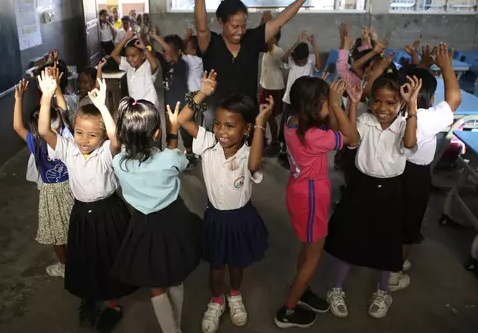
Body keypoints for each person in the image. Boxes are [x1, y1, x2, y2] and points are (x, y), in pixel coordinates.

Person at [37, 71, 137, 332]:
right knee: (84, 257)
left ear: (102, 137)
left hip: (108, 211)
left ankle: (113, 303)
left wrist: (103, 107)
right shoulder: (68, 148)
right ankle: (88, 299)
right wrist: (47, 97)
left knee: (110, 256)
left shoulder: (106, 151)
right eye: (79, 132)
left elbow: (115, 138)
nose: (84, 140)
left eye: (92, 135)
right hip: (81, 212)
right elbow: (44, 130)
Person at [177, 71, 272, 333]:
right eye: (218, 124)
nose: (221, 131)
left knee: (236, 263)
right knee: (217, 265)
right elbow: (184, 119)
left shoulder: (248, 154)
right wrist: (203, 92)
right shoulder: (207, 144)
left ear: (247, 129)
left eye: (230, 126)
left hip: (240, 217)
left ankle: (235, 294)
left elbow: (254, 164)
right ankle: (217, 300)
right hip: (216, 217)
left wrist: (261, 122)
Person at [324, 71, 422, 320]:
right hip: (361, 187)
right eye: (377, 100)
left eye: (390, 102)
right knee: (348, 239)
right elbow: (352, 139)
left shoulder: (405, 124)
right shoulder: (365, 121)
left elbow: (410, 145)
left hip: (390, 190)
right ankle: (335, 288)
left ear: (399, 103)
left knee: (387, 244)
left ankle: (383, 291)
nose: (382, 108)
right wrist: (353, 105)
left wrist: (412, 107)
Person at [194, 0, 326, 128]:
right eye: (234, 26)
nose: (240, 31)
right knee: (214, 151)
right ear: (221, 21)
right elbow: (201, 26)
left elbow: (280, 21)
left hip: (247, 111)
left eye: (243, 26)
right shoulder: (211, 43)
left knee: (249, 152)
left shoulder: (252, 39)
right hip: (217, 113)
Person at [273, 77, 360, 328]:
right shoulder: (312, 136)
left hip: (299, 191)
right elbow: (352, 137)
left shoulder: (293, 122)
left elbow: (334, 127)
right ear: (314, 105)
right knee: (314, 254)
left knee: (308, 247)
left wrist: (338, 105)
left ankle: (303, 289)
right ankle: (288, 310)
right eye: (325, 102)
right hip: (311, 197)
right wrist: (337, 104)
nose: (330, 107)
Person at [111, 99, 202, 333]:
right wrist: (174, 132)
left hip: (142, 225)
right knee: (175, 275)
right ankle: (178, 325)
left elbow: (118, 144)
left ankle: (171, 331)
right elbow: (179, 161)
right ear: (156, 133)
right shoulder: (168, 160)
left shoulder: (119, 163)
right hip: (173, 221)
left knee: (155, 283)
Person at [397, 43, 461, 280]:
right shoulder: (427, 119)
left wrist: (422, 65)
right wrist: (447, 67)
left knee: (390, 215)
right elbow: (454, 99)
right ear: (432, 98)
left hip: (392, 171)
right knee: (409, 224)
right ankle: (394, 272)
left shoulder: (391, 111)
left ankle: (382, 253)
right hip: (415, 177)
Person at [12, 76, 74, 278]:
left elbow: (17, 128)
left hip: (50, 193)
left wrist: (18, 99)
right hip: (72, 189)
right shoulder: (66, 138)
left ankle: (65, 266)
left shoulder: (36, 141)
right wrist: (55, 90)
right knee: (76, 229)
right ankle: (83, 261)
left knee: (58, 235)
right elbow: (64, 112)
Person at [150, 29, 198, 169]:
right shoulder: (165, 65)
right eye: (164, 52)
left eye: (168, 52)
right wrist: (145, 38)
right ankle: (172, 154)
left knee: (186, 132)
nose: (166, 54)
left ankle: (190, 155)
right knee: (171, 131)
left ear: (177, 52)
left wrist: (156, 36)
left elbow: (170, 50)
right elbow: (152, 50)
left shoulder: (181, 64)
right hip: (169, 106)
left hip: (184, 105)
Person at [277, 32, 319, 161]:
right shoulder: (291, 60)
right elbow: (283, 58)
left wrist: (314, 45)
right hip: (290, 99)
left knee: (304, 122)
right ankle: (283, 145)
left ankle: (301, 144)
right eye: (298, 60)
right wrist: (296, 42)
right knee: (286, 121)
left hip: (306, 99)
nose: (301, 63)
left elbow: (319, 66)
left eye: (303, 60)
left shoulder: (311, 59)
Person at [258, 11, 286, 155]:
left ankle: (275, 142)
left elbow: (266, 40)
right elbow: (258, 37)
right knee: (265, 114)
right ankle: (265, 139)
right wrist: (263, 21)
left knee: (270, 116)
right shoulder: (268, 48)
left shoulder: (277, 50)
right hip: (266, 86)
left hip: (274, 88)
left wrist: (268, 23)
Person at [110, 29, 160, 107]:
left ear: (143, 55)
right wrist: (126, 38)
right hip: (136, 106)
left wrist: (143, 47)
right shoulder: (129, 65)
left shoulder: (147, 66)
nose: (130, 59)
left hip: (149, 106)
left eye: (133, 56)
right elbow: (114, 55)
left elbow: (154, 65)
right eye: (127, 56)